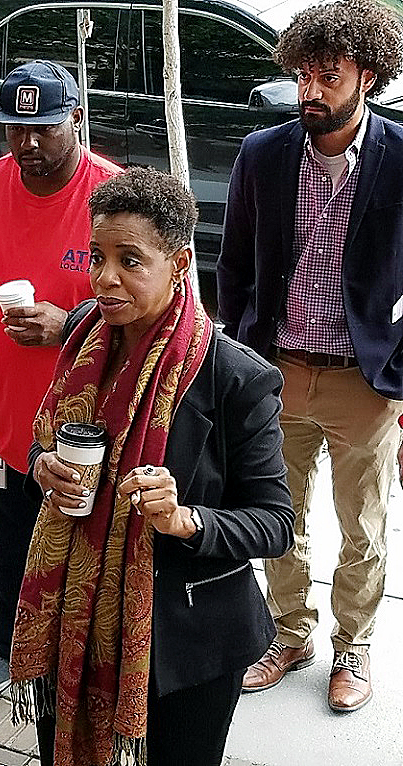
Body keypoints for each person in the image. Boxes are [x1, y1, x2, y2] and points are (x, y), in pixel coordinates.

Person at [10, 167, 294, 766]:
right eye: (97, 257)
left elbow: (274, 523)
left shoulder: (235, 377)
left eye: (130, 261)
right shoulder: (86, 334)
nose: (105, 279)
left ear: (181, 262)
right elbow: (41, 437)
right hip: (71, 621)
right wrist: (42, 467)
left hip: (187, 642)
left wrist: (185, 519)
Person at [217, 0, 403, 713]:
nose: (310, 92)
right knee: (276, 516)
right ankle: (287, 633)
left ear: (369, 75)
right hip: (276, 373)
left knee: (361, 527)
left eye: (328, 76)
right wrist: (236, 360)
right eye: (302, 75)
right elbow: (231, 267)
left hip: (365, 379)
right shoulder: (261, 154)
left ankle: (350, 645)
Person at [0, 60, 121, 701]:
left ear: (76, 119)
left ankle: (81, 670)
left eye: (43, 126)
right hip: (4, 424)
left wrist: (69, 324)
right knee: (11, 541)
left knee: (84, 553)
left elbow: (151, 317)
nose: (27, 143)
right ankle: (10, 652)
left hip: (87, 435)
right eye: (15, 127)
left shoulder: (112, 199)